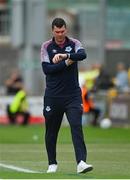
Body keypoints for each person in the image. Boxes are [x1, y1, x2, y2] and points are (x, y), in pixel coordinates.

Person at [40, 18, 93, 173]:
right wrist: (66, 63)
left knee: (76, 126)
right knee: (51, 131)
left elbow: (82, 55)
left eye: (62, 31)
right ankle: (52, 163)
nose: (60, 34)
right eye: (57, 32)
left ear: (66, 30)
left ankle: (81, 162)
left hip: (73, 96)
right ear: (52, 31)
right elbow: (47, 70)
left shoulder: (74, 43)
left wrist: (65, 56)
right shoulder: (46, 46)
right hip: (53, 96)